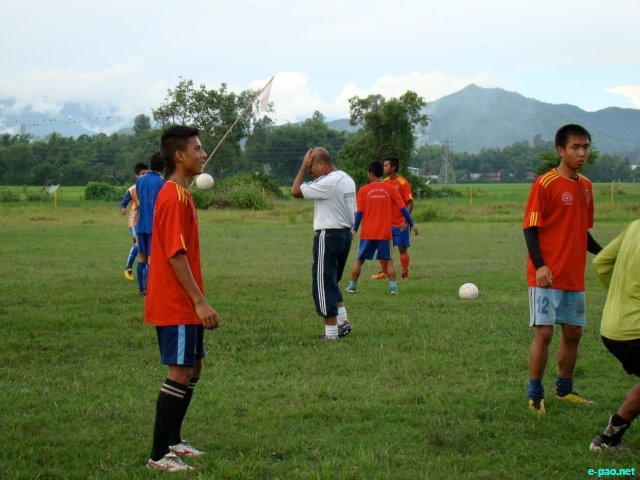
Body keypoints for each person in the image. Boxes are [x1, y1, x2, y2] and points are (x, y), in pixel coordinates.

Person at [145, 125, 219, 472]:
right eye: (197, 149)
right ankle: (159, 455)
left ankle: (174, 440)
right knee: (179, 371)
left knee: (193, 367)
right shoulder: (173, 196)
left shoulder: (182, 195)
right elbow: (175, 254)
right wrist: (199, 301)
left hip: (185, 303)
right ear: (179, 156)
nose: (203, 154)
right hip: (175, 302)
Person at [523, 123, 602, 413]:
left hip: (573, 276)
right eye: (575, 147)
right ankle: (535, 395)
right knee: (544, 333)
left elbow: (582, 232)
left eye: (585, 147)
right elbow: (530, 227)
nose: (582, 153)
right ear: (560, 150)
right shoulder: (545, 183)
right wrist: (540, 265)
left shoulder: (586, 187)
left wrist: (605, 254)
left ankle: (564, 390)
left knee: (573, 333)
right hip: (546, 276)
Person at [291, 147, 356, 340]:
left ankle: (331, 334)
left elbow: (295, 191)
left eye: (312, 168)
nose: (311, 173)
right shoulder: (347, 178)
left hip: (329, 235)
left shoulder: (328, 182)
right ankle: (343, 322)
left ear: (321, 163)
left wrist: (302, 166)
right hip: (345, 235)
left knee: (323, 283)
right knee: (332, 280)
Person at [589, 220, 640, 451]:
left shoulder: (635, 226)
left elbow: (600, 262)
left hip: (612, 329)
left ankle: (608, 438)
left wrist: (621, 300)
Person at [346, 161, 419, 295]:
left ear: (371, 174)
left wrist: (354, 229)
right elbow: (403, 209)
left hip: (368, 233)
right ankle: (393, 289)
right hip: (384, 233)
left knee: (359, 260)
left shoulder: (363, 190)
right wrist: (412, 225)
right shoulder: (391, 189)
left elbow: (359, 213)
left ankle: (352, 287)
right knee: (389, 261)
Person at [371, 156, 415, 280]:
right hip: (386, 223)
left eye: (386, 165)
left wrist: (405, 220)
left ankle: (405, 273)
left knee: (402, 249)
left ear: (393, 167)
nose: (384, 168)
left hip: (400, 223)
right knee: (382, 247)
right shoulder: (384, 182)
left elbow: (410, 203)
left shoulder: (403, 183)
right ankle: (384, 272)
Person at [135, 151, 165, 297]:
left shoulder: (139, 181)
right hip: (155, 227)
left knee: (142, 257)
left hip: (141, 225)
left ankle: (142, 290)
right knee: (153, 259)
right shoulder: (162, 182)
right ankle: (150, 290)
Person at [119, 162, 148, 282]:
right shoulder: (132, 190)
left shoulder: (150, 187)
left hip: (146, 221)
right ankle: (128, 268)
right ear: (136, 176)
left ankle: (145, 273)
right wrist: (122, 208)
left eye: (146, 174)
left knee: (143, 246)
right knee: (139, 244)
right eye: (142, 174)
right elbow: (123, 203)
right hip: (134, 221)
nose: (145, 176)